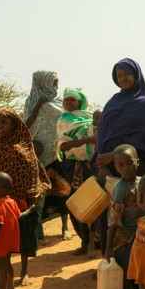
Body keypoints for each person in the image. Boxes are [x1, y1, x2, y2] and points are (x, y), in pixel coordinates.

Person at [0, 108, 49, 287]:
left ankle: (24, 272)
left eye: (4, 122)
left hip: (21, 201)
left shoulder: (24, 147)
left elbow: (32, 175)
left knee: (24, 237)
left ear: (14, 125)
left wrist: (31, 205)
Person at [96, 59, 145, 180]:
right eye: (119, 75)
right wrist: (101, 166)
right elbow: (102, 134)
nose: (123, 78)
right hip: (109, 171)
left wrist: (115, 155)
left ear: (136, 75)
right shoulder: (112, 102)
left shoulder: (143, 103)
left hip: (138, 170)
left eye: (127, 74)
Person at [104, 144, 144, 289]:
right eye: (121, 165)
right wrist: (108, 249)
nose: (126, 168)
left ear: (137, 162)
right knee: (122, 277)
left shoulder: (142, 182)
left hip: (141, 236)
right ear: (116, 168)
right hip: (123, 240)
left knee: (139, 275)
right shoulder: (120, 189)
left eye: (129, 163)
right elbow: (113, 220)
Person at [24, 70, 65, 240]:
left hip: (57, 152)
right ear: (42, 83)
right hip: (37, 152)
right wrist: (38, 106)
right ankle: (38, 228)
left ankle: (65, 227)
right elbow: (26, 125)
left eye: (56, 82)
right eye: (53, 82)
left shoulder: (60, 101)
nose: (56, 86)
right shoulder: (31, 101)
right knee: (38, 193)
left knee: (62, 190)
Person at [55, 88, 97, 255]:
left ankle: (94, 242)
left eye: (72, 100)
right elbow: (61, 142)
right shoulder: (62, 120)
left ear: (80, 102)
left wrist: (73, 144)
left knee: (92, 203)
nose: (69, 103)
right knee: (75, 204)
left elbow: (95, 138)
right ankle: (84, 241)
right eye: (67, 100)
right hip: (71, 167)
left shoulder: (90, 117)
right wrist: (70, 145)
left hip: (89, 166)